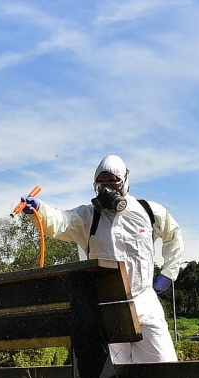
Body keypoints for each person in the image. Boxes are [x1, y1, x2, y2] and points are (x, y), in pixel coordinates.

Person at [21, 154, 183, 364]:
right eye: (102, 182)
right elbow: (60, 221)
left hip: (146, 301)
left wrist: (169, 273)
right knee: (114, 376)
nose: (108, 188)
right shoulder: (88, 217)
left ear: (126, 181)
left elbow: (174, 234)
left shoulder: (148, 211)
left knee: (166, 368)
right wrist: (40, 209)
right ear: (95, 185)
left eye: (114, 181)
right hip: (107, 307)